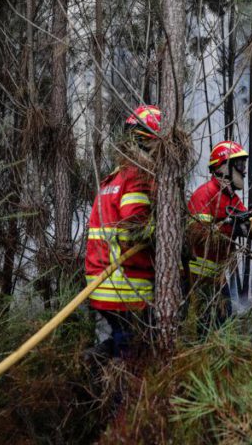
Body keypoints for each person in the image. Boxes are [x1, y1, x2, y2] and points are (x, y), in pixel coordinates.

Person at [84, 104, 162, 359]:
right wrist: (167, 230)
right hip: (126, 287)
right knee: (131, 355)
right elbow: (136, 228)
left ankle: (97, 364)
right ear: (148, 141)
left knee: (119, 341)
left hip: (102, 285)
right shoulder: (136, 177)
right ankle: (117, 392)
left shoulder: (113, 180)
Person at [186, 140, 252, 331]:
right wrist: (231, 228)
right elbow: (196, 234)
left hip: (216, 277)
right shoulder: (204, 195)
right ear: (224, 167)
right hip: (195, 279)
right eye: (240, 165)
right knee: (207, 328)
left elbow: (247, 228)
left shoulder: (231, 198)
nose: (244, 171)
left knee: (222, 323)